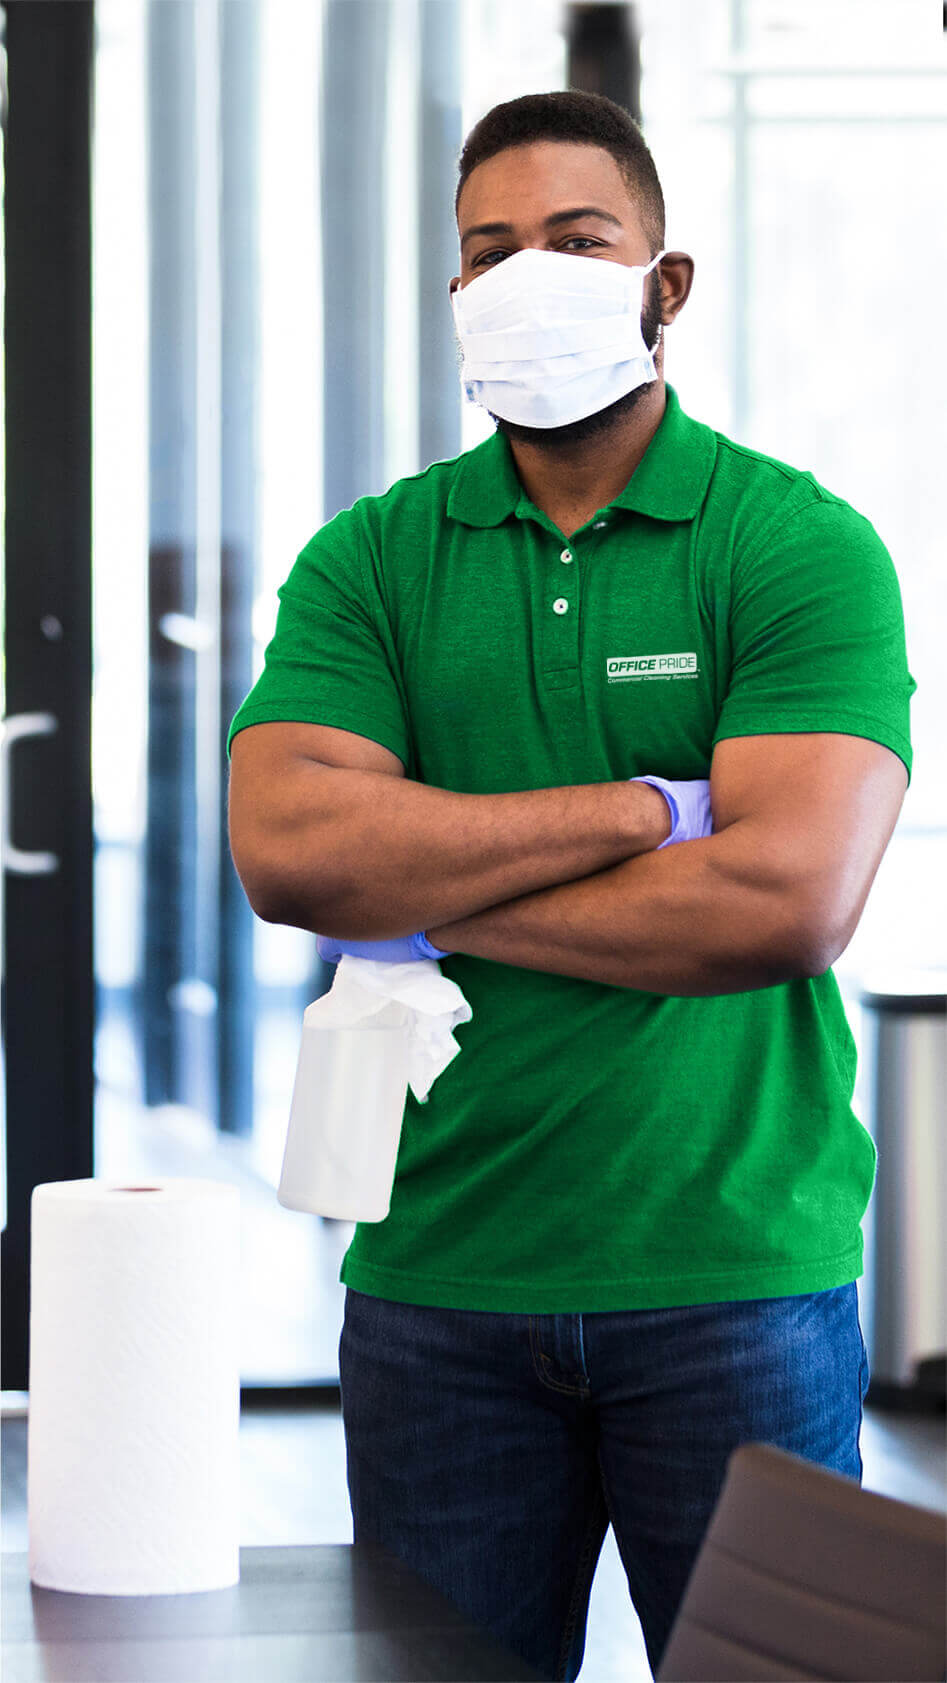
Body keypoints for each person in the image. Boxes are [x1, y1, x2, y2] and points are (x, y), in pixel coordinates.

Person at [228, 90, 915, 1683]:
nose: (526, 275)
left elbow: (786, 904)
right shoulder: (376, 559)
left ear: (665, 284)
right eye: (489, 252)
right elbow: (289, 852)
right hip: (442, 1280)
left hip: (735, 1271)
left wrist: (428, 873)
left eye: (576, 240)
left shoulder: (793, 547)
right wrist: (640, 811)